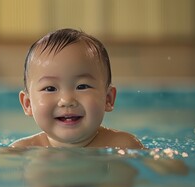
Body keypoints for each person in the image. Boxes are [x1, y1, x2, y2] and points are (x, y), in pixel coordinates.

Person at [10, 28, 143, 149]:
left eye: (82, 86)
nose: (67, 100)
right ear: (28, 104)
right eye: (50, 88)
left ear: (108, 99)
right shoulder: (22, 151)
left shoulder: (124, 146)